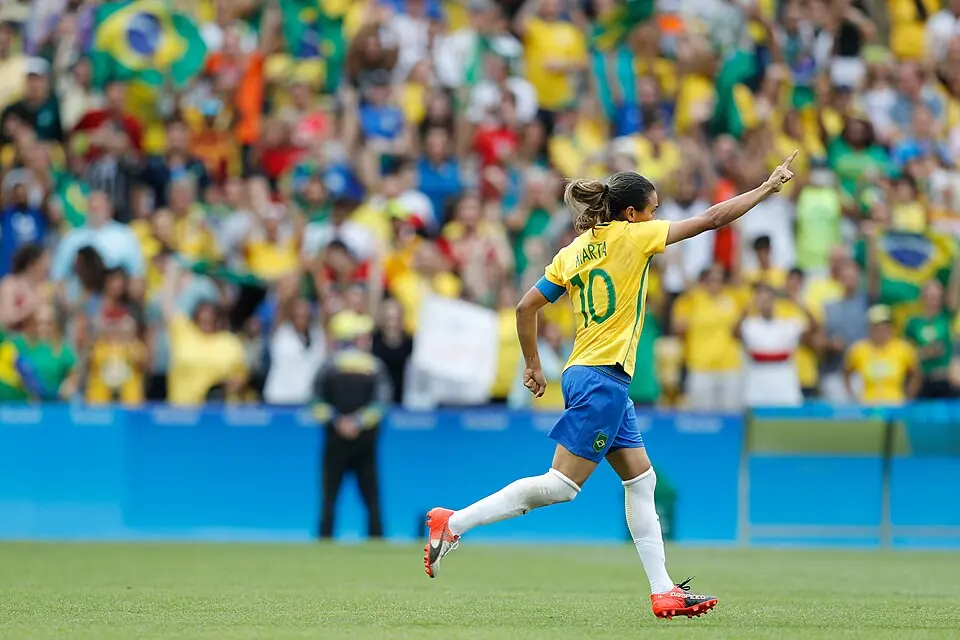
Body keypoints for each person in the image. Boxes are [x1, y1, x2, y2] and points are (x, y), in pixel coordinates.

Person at [423, 151, 800, 619]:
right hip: (603, 377)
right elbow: (710, 218)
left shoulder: (572, 251)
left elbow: (525, 308)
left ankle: (664, 591)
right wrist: (766, 188)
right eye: (653, 209)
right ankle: (452, 522)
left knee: (642, 480)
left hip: (590, 373)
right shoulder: (635, 236)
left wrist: (533, 365)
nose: (656, 217)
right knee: (561, 486)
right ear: (631, 213)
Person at [314, 310, 393, 539]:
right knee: (371, 500)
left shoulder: (328, 366)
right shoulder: (374, 366)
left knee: (329, 499)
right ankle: (377, 545)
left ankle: (324, 544)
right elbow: (382, 403)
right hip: (363, 442)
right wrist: (357, 422)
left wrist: (339, 421)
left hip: (336, 440)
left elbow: (315, 402)